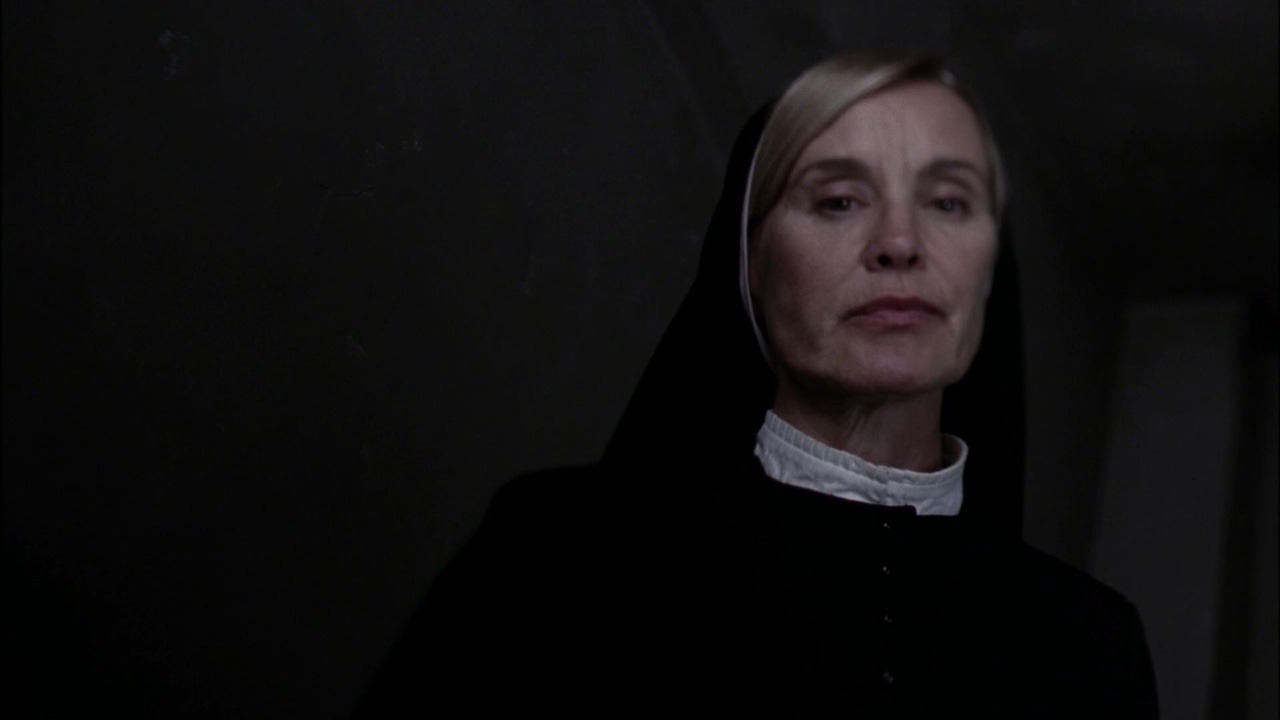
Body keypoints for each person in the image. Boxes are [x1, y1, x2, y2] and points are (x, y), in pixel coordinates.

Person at [354, 52, 1158, 719]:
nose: (900, 243)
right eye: (839, 199)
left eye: (947, 203)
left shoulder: (1091, 642)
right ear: (748, 265)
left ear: (987, 278)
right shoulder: (553, 548)